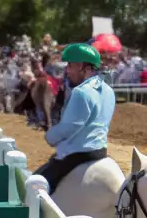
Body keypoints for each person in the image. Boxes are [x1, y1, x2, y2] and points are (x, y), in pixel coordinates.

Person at [36, 42, 116, 192]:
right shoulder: (108, 90)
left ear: (83, 67)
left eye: (70, 66)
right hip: (100, 152)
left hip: (77, 155)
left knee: (33, 188)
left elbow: (69, 127)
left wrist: (50, 136)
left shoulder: (81, 92)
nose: (67, 71)